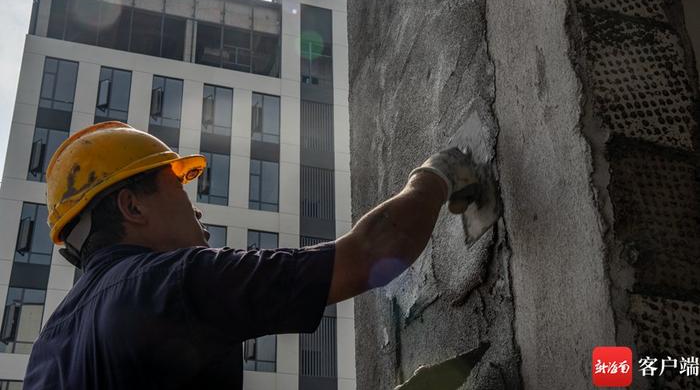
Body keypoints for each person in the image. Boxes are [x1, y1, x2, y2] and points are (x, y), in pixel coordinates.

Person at [24, 121, 482, 389]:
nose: (194, 205)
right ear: (132, 205)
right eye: (179, 186)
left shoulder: (47, 352)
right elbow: (370, 255)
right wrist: (437, 176)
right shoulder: (171, 284)